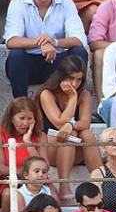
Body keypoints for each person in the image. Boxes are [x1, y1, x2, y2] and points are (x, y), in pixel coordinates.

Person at [4, 0, 89, 98]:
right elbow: (11, 40)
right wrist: (41, 43)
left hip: (57, 63)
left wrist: (54, 42)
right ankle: (21, 105)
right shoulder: (18, 3)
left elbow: (79, 39)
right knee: (16, 55)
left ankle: (74, 103)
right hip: (28, 64)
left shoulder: (66, 3)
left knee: (79, 52)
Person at [36, 55, 102, 201]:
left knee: (87, 135)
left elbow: (85, 122)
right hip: (52, 149)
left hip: (76, 148)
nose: (75, 83)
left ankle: (101, 183)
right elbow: (59, 123)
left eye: (79, 80)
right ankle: (64, 186)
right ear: (62, 76)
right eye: (71, 78)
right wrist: (72, 98)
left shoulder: (83, 94)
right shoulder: (47, 93)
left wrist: (71, 123)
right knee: (69, 134)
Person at [0, 97, 48, 185]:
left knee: (54, 196)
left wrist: (28, 143)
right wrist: (28, 174)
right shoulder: (1, 134)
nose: (25, 123)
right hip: (10, 181)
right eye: (21, 118)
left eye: (29, 119)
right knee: (7, 195)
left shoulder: (41, 136)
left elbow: (45, 167)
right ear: (11, 119)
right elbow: (1, 169)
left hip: (38, 182)